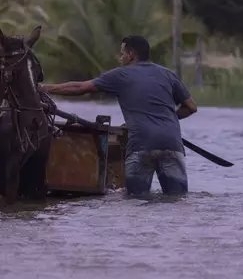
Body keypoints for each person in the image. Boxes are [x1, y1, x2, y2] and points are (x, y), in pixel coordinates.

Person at [39, 35, 198, 196]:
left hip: (141, 144)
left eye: (122, 54)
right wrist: (167, 119)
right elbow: (191, 107)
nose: (120, 58)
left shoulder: (120, 75)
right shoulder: (168, 75)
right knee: (176, 200)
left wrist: (43, 88)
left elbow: (80, 87)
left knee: (137, 202)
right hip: (172, 144)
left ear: (131, 55)